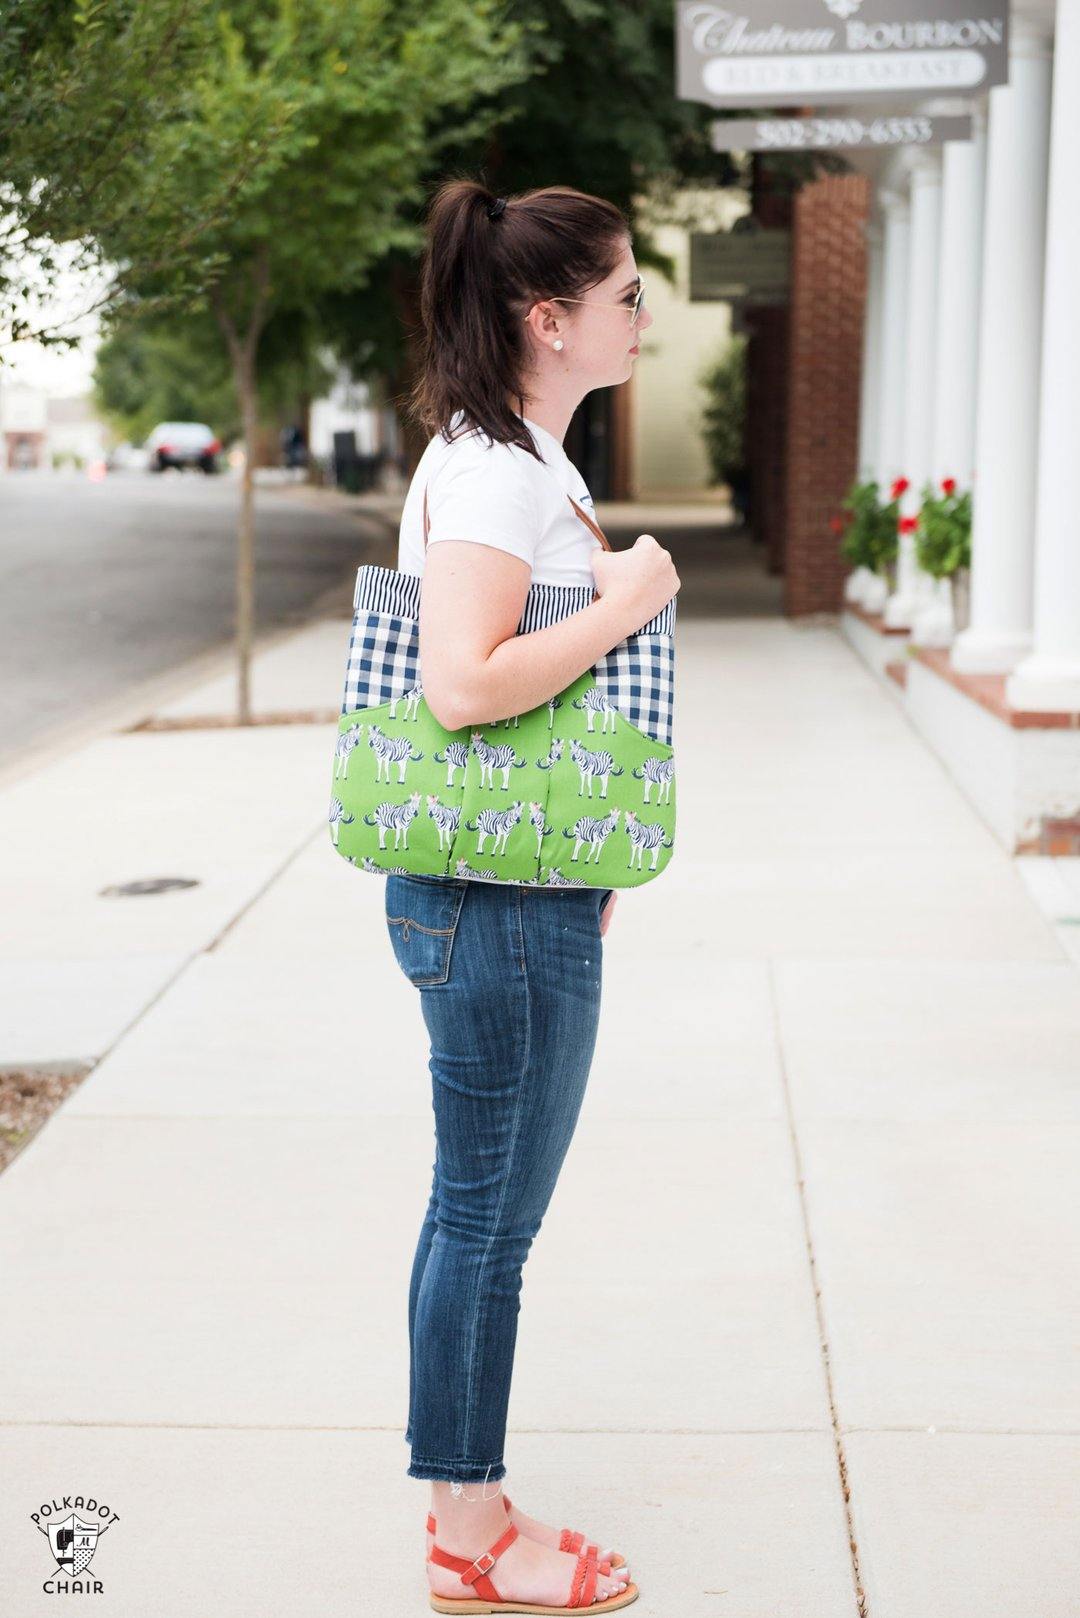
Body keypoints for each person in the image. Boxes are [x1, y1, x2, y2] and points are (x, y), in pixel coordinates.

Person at [388, 180, 679, 1614]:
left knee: (488, 1212)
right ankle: (468, 1525)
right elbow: (460, 680)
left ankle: (476, 1500)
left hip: (519, 889)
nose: (644, 315)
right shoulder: (500, 473)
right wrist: (627, 598)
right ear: (550, 318)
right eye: (628, 292)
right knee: (485, 1215)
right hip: (494, 902)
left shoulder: (513, 457)